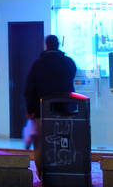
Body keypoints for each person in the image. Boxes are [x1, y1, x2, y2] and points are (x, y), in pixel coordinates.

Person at [24, 35, 77, 171]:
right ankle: (63, 169)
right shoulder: (68, 62)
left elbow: (30, 88)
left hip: (41, 110)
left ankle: (43, 172)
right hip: (65, 110)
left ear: (46, 45)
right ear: (58, 45)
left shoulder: (38, 64)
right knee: (63, 139)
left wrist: (30, 109)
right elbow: (71, 80)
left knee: (41, 142)